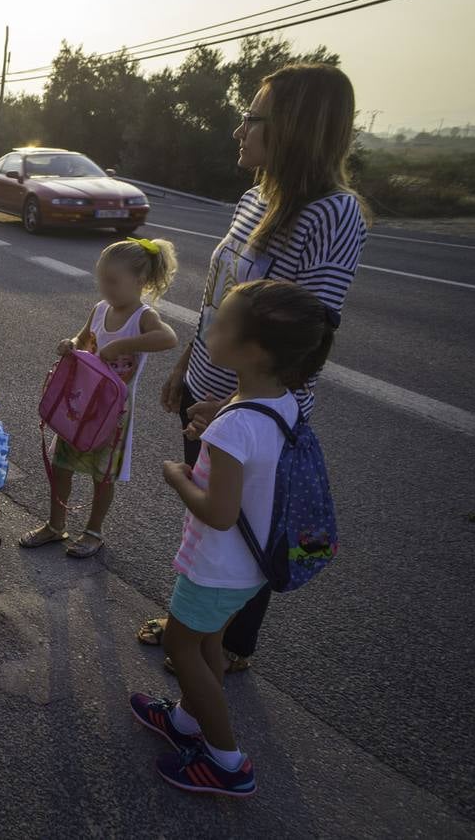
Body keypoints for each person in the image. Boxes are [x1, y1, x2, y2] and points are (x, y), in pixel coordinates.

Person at [136, 63, 368, 672]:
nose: (239, 129)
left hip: (254, 411)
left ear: (294, 129)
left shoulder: (331, 214)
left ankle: (230, 646)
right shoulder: (254, 197)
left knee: (245, 528)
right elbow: (221, 298)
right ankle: (195, 622)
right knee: (212, 525)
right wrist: (187, 365)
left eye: (253, 118)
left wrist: (243, 408)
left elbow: (303, 334)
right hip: (209, 397)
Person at [130, 279, 337, 798]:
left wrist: (177, 475)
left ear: (252, 351)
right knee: (210, 643)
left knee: (182, 646)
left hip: (215, 564)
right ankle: (183, 722)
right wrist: (220, 411)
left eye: (221, 323)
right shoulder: (279, 401)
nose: (210, 327)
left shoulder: (233, 428)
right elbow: (249, 430)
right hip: (250, 567)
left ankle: (227, 761)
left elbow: (219, 513)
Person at [21, 238, 179, 557]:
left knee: (102, 474)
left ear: (140, 282)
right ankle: (56, 525)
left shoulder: (142, 316)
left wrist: (123, 346)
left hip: (114, 411)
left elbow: (169, 338)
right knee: (61, 464)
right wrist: (70, 344)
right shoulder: (100, 308)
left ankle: (94, 531)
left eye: (113, 281)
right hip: (81, 402)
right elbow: (83, 340)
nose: (104, 287)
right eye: (101, 279)